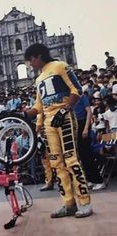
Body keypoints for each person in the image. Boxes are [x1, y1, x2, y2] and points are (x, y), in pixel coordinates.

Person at [24, 43, 93, 218]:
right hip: (49, 123)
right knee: (56, 163)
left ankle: (84, 202)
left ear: (38, 56)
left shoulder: (61, 66)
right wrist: (23, 114)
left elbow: (76, 90)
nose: (29, 64)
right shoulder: (38, 79)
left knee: (71, 160)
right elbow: (38, 106)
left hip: (64, 118)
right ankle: (68, 203)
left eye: (30, 60)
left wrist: (64, 110)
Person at [73, 94, 105, 191]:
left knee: (87, 155)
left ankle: (98, 180)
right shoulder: (68, 98)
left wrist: (86, 128)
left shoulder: (81, 96)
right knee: (82, 156)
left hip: (82, 123)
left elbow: (89, 112)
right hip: (74, 124)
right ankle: (90, 179)